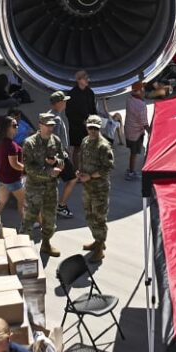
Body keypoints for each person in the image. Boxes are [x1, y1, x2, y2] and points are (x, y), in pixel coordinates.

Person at [21, 112, 65, 256]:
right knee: (29, 219)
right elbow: (28, 168)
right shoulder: (30, 143)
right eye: (47, 125)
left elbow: (63, 159)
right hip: (35, 188)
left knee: (50, 219)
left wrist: (57, 163)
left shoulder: (56, 141)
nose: (50, 128)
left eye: (52, 125)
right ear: (40, 125)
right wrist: (48, 172)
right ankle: (21, 251)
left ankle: (46, 244)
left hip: (51, 188)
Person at [77, 115, 114, 263]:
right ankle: (97, 241)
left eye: (95, 128)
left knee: (99, 217)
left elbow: (108, 168)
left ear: (100, 128)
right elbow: (82, 158)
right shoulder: (85, 141)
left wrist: (90, 176)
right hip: (87, 186)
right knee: (89, 215)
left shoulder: (103, 146)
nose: (92, 130)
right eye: (90, 127)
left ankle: (100, 248)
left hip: (99, 188)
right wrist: (79, 171)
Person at [62, 70, 96, 218]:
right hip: (77, 126)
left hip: (88, 125)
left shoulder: (90, 92)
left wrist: (93, 120)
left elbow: (93, 108)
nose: (87, 80)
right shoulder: (72, 94)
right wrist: (80, 122)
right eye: (85, 78)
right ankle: (78, 171)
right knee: (77, 149)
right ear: (79, 80)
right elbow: (69, 112)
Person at [0, 117, 25, 218]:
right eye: (14, 125)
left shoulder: (0, 142)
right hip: (12, 179)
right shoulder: (11, 146)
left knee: (1, 201)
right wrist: (27, 168)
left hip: (2, 178)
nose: (17, 127)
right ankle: (26, 225)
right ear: (7, 128)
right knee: (23, 201)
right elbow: (14, 164)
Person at [125, 82, 149, 181]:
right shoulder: (141, 105)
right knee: (134, 154)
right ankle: (131, 172)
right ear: (138, 91)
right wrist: (151, 131)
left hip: (128, 131)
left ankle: (130, 170)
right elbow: (144, 123)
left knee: (132, 152)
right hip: (136, 133)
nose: (144, 91)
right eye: (142, 89)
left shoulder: (129, 99)